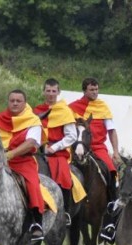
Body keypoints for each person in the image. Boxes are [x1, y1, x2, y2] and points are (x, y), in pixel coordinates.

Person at [0, 89, 45, 240]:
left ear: (25, 103)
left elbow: (31, 143)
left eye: (18, 101)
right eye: (12, 100)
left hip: (22, 161)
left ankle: (36, 222)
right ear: (8, 102)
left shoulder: (33, 120)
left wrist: (10, 154)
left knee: (32, 185)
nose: (15, 103)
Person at [68, 77, 122, 203]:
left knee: (112, 171)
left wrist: (115, 151)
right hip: (75, 147)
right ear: (84, 91)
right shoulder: (72, 108)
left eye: (96, 89)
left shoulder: (103, 107)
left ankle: (113, 202)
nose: (95, 92)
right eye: (92, 89)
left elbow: (112, 131)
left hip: (98, 147)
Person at [33, 78, 80, 225]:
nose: (51, 94)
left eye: (54, 91)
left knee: (64, 176)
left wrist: (54, 147)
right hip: (38, 150)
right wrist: (40, 146)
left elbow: (72, 136)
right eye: (48, 91)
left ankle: (64, 211)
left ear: (58, 92)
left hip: (57, 152)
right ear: (43, 91)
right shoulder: (37, 111)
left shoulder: (65, 111)